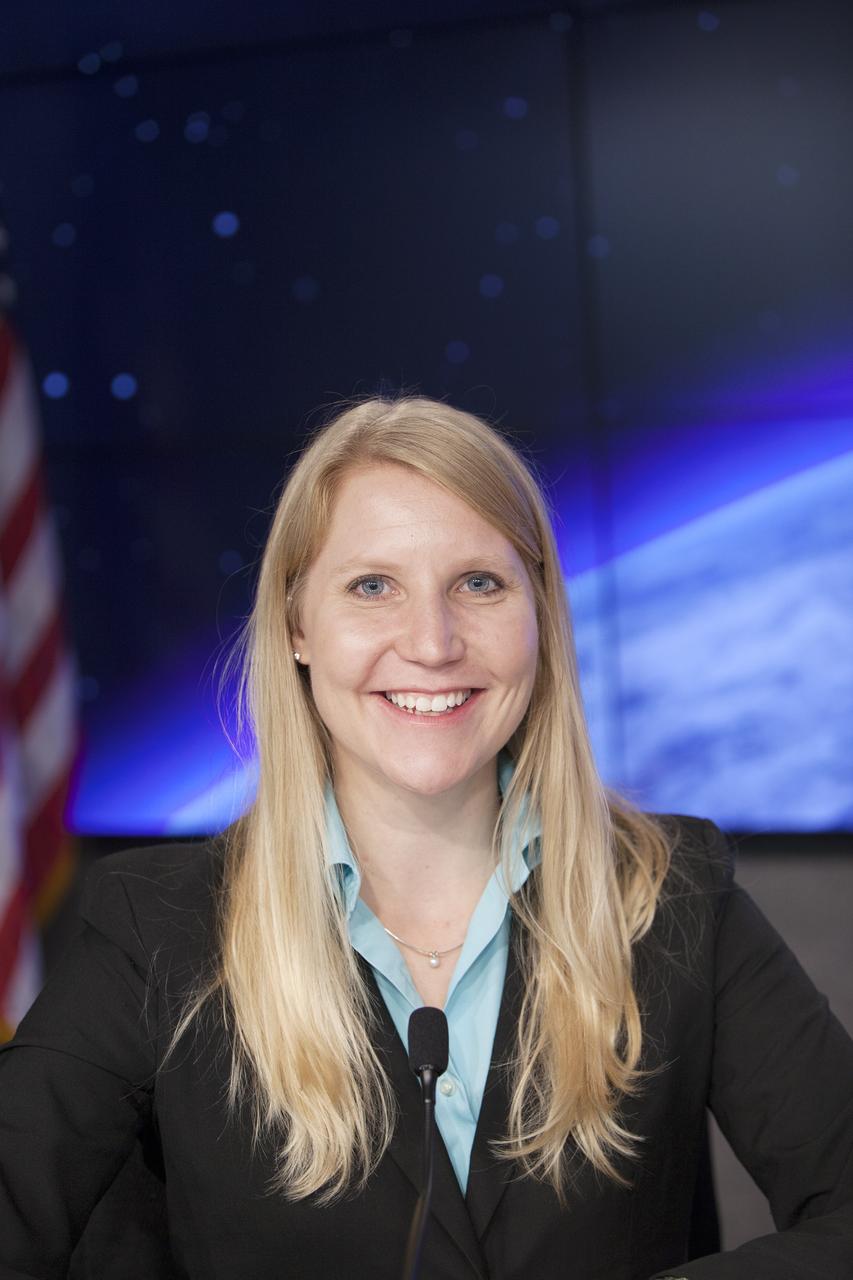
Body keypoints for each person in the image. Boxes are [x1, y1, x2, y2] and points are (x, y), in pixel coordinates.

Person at [1, 395, 852, 1280]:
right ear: (297, 626)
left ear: (539, 616)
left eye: (478, 583)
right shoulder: (156, 929)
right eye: (373, 587)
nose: (433, 642)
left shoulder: (671, 894)